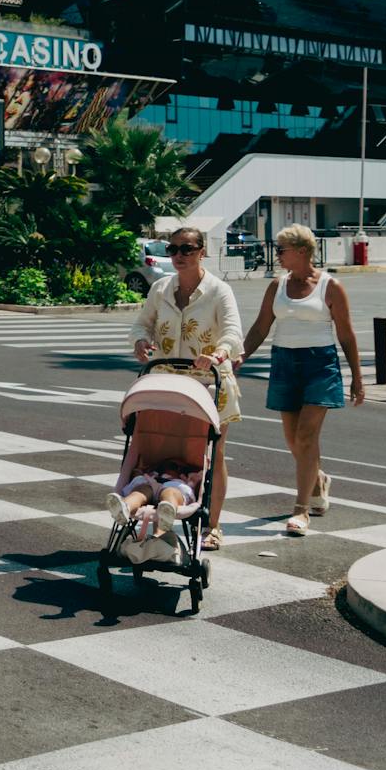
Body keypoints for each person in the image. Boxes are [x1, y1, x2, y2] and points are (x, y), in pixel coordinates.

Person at [241, 223, 365, 536]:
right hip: (284, 362)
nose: (278, 255)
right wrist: (238, 356)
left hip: (319, 364)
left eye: (282, 250)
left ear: (302, 251)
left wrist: (357, 378)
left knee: (307, 436)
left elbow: (347, 334)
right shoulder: (277, 286)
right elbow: (260, 328)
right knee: (293, 440)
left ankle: (301, 509)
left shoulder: (331, 286)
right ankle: (318, 478)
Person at [128, 225, 242, 551]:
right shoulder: (161, 288)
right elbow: (142, 323)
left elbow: (233, 332)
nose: (178, 256)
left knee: (213, 454)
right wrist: (140, 340)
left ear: (201, 251)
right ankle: (161, 512)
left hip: (208, 383)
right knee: (164, 449)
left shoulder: (218, 290)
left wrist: (220, 353)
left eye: (186, 249)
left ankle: (214, 524)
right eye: (173, 249)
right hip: (165, 381)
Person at [107, 457, 203, 543]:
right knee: (140, 492)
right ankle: (125, 507)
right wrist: (139, 470)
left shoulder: (185, 477)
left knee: (170, 493)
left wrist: (195, 476)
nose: (172, 467)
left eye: (176, 466)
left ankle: (168, 511)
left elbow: (199, 480)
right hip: (151, 482)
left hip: (174, 485)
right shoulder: (152, 472)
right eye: (169, 464)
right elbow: (137, 474)